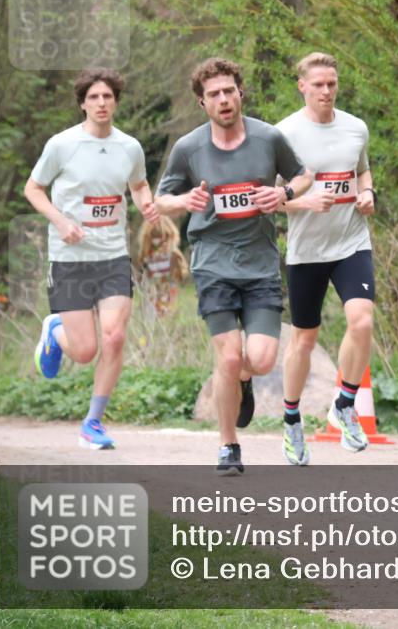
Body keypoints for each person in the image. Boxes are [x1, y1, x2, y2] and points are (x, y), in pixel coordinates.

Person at [155, 57, 312, 475]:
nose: (223, 100)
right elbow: (161, 200)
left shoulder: (268, 138)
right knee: (226, 357)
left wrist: (285, 193)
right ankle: (228, 446)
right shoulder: (189, 148)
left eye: (229, 91)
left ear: (239, 92)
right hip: (213, 263)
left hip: (260, 264)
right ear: (201, 103)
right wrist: (183, 202)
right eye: (213, 95)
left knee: (258, 360)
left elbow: (304, 175)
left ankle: (243, 380)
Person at [26, 68, 160, 450]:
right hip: (70, 257)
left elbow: (138, 184)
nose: (102, 103)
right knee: (84, 352)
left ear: (116, 101)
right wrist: (60, 220)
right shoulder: (62, 145)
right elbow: (33, 188)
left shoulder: (130, 147)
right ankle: (55, 331)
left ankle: (92, 423)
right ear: (83, 103)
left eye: (108, 97)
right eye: (94, 97)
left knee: (115, 337)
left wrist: (145, 204)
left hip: (112, 255)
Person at [275, 52, 375, 463]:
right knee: (304, 339)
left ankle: (345, 403)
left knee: (362, 320)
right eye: (318, 84)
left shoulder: (356, 128)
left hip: (352, 241)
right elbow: (272, 199)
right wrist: (305, 203)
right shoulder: (283, 134)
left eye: (332, 83)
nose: (327, 91)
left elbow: (363, 172)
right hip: (307, 251)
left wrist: (368, 192)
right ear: (302, 86)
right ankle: (291, 419)